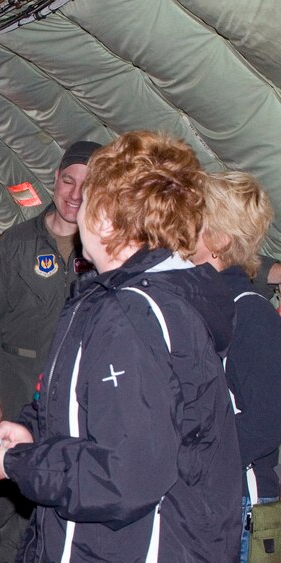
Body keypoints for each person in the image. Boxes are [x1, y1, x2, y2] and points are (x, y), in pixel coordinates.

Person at [0, 131, 242, 561]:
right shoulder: (125, 298)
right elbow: (101, 419)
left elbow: (124, 477)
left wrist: (19, 464)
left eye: (89, 197)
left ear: (106, 219)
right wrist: (32, 433)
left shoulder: (132, 317)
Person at [0, 139, 101, 561]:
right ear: (54, 180)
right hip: (20, 388)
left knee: (66, 489)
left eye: (87, 185)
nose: (75, 194)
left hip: (78, 392)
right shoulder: (18, 243)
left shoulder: (104, 250)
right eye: (68, 181)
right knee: (14, 498)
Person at [191, 171, 281, 562]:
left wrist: (194, 457)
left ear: (220, 239)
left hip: (237, 510)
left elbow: (266, 421)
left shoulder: (250, 315)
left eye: (196, 219)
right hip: (204, 505)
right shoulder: (198, 306)